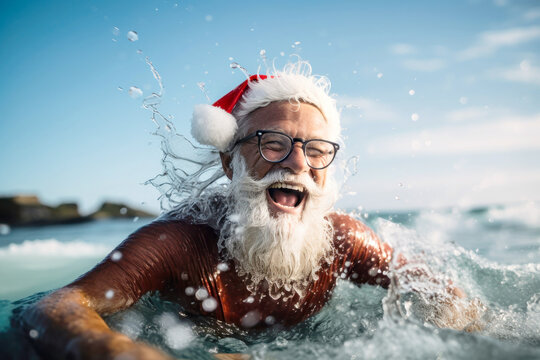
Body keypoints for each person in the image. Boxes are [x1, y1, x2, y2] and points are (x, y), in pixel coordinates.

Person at [21, 61, 481, 360]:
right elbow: (59, 304)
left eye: (316, 150)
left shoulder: (342, 239)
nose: (298, 164)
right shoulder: (180, 242)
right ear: (230, 161)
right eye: (274, 144)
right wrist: (117, 349)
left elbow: (432, 287)